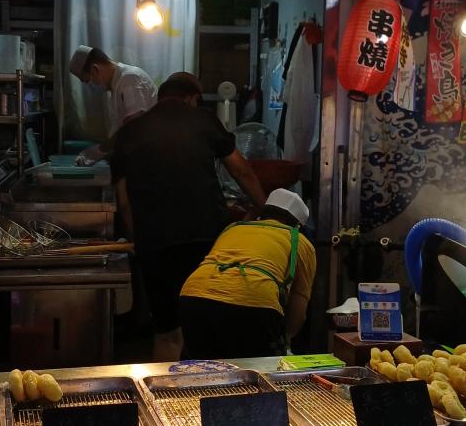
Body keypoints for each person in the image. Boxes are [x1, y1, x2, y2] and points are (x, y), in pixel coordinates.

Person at [111, 72, 265, 361]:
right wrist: (265, 209)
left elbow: (124, 202)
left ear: (160, 98)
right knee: (209, 328)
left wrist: (139, 240)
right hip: (205, 239)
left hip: (156, 243)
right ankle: (211, 387)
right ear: (192, 99)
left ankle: (163, 389)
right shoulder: (204, 120)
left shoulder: (129, 132)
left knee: (167, 333)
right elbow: (241, 171)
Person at [179, 189, 316, 358]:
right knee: (258, 371)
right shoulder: (300, 241)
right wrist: (285, 339)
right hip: (255, 302)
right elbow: (298, 308)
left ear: (262, 214)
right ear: (297, 225)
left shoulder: (232, 228)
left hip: (193, 296)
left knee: (201, 368)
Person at [68, 45, 156, 165]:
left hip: (145, 160)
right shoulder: (117, 86)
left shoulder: (129, 79)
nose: (91, 86)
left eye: (88, 81)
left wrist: (99, 151)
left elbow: (133, 126)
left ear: (95, 69)